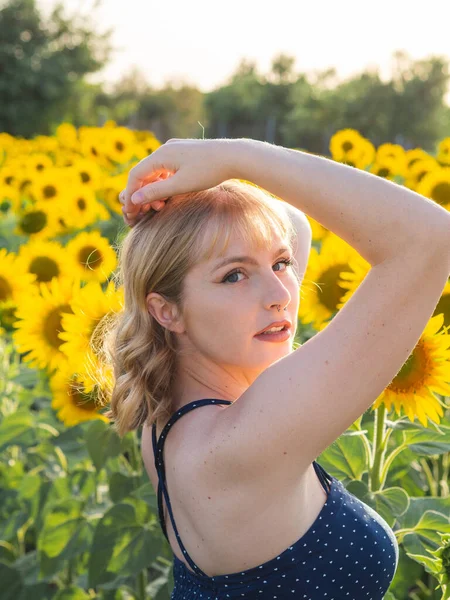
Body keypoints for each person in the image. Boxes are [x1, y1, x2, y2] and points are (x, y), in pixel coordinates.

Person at [109, 137, 450, 599]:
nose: (282, 294)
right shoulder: (244, 442)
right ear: (166, 310)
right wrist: (237, 156)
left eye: (281, 263)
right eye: (234, 275)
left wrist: (208, 188)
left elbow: (294, 225)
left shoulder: (168, 406)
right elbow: (430, 239)